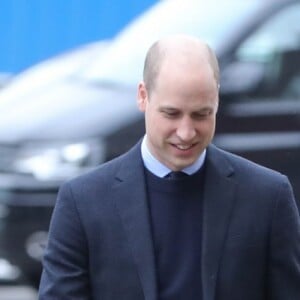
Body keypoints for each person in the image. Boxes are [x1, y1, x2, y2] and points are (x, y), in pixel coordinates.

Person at [38, 35, 300, 300]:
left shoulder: (268, 198)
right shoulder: (83, 202)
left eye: (201, 114)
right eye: (171, 114)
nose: (186, 133)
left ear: (216, 100)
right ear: (143, 96)